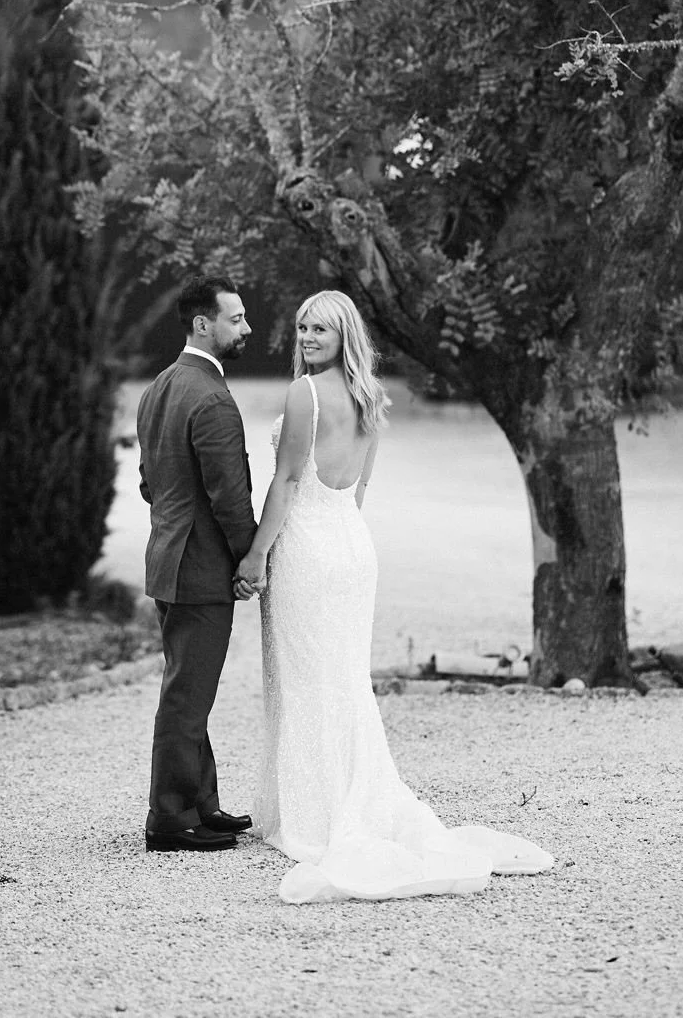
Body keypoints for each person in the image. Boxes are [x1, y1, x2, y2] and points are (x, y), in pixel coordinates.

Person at [235, 289, 555, 903]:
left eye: (320, 330)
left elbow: (285, 483)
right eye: (302, 326)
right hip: (352, 547)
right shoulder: (368, 397)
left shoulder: (304, 394)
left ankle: (316, 816)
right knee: (342, 677)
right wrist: (331, 536)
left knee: (310, 678)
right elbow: (357, 491)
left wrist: (256, 555)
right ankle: (330, 799)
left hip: (309, 548)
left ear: (344, 337)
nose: (306, 338)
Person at [137, 274, 258, 853]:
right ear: (202, 324)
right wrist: (250, 558)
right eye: (236, 319)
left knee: (191, 689)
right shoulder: (210, 397)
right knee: (186, 696)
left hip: (168, 559)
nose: (247, 328)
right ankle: (169, 818)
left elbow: (149, 484)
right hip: (199, 568)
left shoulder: (160, 387)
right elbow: (229, 498)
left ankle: (201, 803)